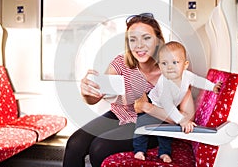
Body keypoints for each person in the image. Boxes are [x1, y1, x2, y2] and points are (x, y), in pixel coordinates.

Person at [63, 13, 194, 167]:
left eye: (146, 38)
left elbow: (186, 117)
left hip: (152, 124)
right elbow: (95, 97)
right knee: (75, 143)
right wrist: (87, 93)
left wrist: (148, 107)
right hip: (120, 115)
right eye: (133, 39)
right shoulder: (120, 63)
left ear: (158, 41)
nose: (139, 45)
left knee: (99, 148)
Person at [133, 41, 222, 163]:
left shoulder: (187, 76)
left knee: (165, 133)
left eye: (175, 62)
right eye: (164, 63)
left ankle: (164, 153)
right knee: (141, 126)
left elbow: (198, 81)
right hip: (154, 103)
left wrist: (212, 87)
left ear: (185, 65)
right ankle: (139, 151)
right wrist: (182, 120)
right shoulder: (165, 83)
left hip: (168, 109)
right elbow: (168, 105)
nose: (169, 67)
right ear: (159, 66)